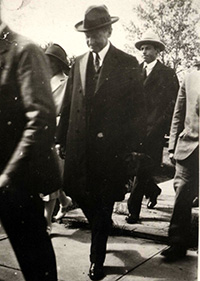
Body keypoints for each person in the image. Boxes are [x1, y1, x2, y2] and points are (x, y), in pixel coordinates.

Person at [56, 5, 146, 280]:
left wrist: (133, 148)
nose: (89, 39)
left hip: (111, 152)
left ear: (108, 31)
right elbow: (69, 103)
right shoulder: (79, 62)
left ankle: (97, 260)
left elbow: (136, 111)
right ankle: (101, 224)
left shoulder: (127, 63)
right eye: (86, 34)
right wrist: (61, 139)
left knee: (105, 201)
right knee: (75, 190)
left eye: (94, 33)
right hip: (80, 149)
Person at [0, 14, 61, 281]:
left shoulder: (24, 50)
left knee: (37, 269)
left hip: (17, 183)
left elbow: (41, 120)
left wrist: (7, 176)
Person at [126, 30, 179, 224]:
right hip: (135, 131)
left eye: (148, 48)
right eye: (142, 48)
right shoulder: (135, 72)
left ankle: (133, 211)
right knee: (138, 169)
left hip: (154, 131)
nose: (144, 51)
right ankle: (153, 190)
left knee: (142, 170)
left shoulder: (167, 74)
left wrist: (159, 127)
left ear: (157, 50)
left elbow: (172, 105)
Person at [161, 64, 199, 261]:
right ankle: (177, 243)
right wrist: (172, 146)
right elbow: (178, 112)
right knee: (182, 194)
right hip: (189, 146)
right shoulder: (191, 76)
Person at [43, 44, 72, 232]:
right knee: (51, 177)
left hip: (56, 133)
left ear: (59, 63)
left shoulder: (66, 82)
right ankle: (66, 202)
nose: (48, 64)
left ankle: (46, 223)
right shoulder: (41, 80)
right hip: (40, 132)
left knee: (49, 176)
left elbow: (66, 110)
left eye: (52, 61)